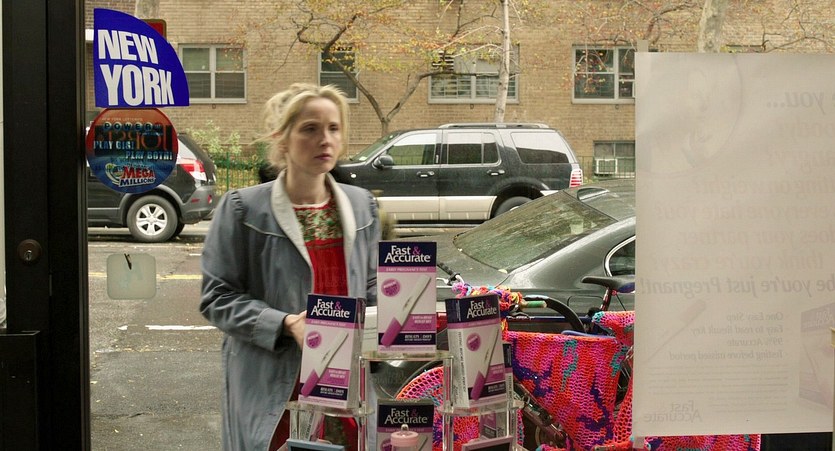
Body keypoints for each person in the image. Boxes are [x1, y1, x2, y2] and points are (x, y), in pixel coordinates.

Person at [200, 83, 380, 451]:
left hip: (346, 381)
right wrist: (284, 323)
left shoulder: (362, 206)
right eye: (310, 129)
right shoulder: (243, 209)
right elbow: (217, 297)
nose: (325, 140)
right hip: (275, 383)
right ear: (282, 139)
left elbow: (373, 287)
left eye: (333, 128)